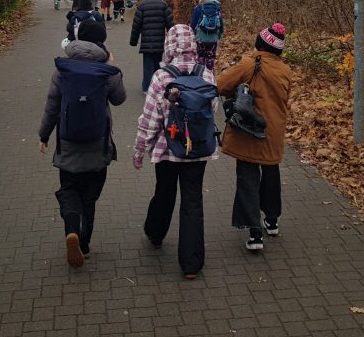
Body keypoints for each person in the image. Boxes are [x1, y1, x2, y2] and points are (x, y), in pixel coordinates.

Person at [133, 24, 217, 279]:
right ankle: (191, 264)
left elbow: (150, 120)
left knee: (164, 191)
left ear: (169, 44)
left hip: (167, 149)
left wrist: (139, 151)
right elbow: (211, 109)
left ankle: (155, 233)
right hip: (197, 149)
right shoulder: (206, 74)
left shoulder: (161, 77)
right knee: (193, 200)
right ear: (193, 43)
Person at [38, 20, 125, 267]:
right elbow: (119, 99)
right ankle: (84, 245)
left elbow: (52, 106)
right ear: (102, 40)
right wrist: (112, 67)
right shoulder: (105, 70)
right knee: (89, 196)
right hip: (98, 144)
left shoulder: (63, 69)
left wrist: (44, 136)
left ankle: (71, 230)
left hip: (68, 143)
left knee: (69, 190)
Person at [216, 23, 292, 253]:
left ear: (260, 44)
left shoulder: (250, 63)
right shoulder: (285, 70)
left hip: (250, 129)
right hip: (274, 129)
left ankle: (254, 232)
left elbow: (221, 84)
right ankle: (272, 221)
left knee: (247, 177)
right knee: (271, 173)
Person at [129, 0, 173, 93]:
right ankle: (157, 86)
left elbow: (136, 25)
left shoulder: (142, 5)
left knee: (147, 65)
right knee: (158, 64)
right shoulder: (163, 5)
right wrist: (172, 40)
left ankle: (147, 88)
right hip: (159, 41)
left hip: (146, 42)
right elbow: (170, 24)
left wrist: (133, 41)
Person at [189, 0, 224, 70]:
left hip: (200, 38)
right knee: (210, 57)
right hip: (213, 38)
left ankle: (200, 73)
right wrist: (219, 35)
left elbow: (193, 24)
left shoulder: (198, 7)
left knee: (201, 56)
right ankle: (210, 73)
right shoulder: (217, 8)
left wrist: (192, 34)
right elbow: (221, 23)